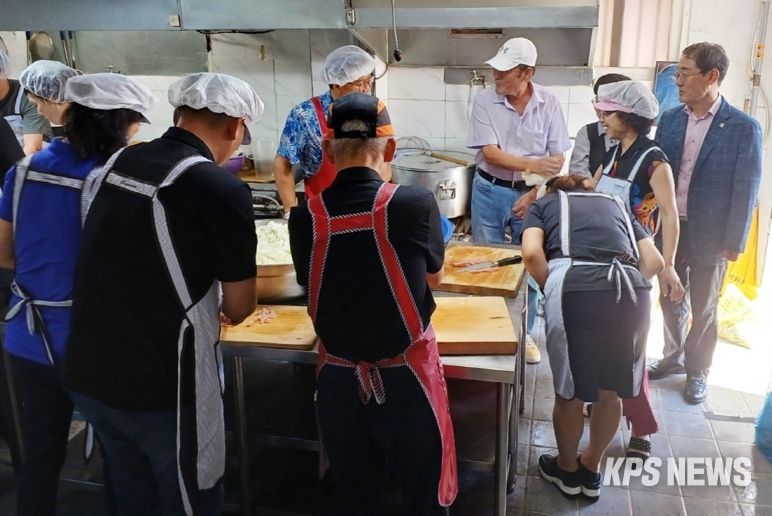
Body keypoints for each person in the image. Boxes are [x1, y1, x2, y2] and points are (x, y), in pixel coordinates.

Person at [63, 72, 262, 515]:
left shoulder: (119, 161)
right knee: (187, 500)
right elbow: (239, 306)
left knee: (133, 497)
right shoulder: (222, 189)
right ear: (236, 126)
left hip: (89, 371)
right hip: (161, 386)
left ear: (178, 116)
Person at [288, 92, 457, 515]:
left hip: (339, 383)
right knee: (422, 497)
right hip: (407, 382)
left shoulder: (305, 217)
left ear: (328, 150)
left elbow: (312, 285)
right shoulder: (415, 204)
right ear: (391, 149)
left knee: (354, 496)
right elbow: (434, 277)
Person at [0, 71, 154, 516]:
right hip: (91, 343)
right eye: (135, 124)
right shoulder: (112, 180)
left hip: (28, 339)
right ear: (120, 124)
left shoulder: (23, 171)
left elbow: (4, 255)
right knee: (120, 457)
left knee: (40, 455)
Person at [521, 175, 664, 502]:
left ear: (552, 191)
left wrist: (551, 287)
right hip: (631, 291)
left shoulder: (544, 205)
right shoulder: (617, 205)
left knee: (569, 394)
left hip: (574, 287)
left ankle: (567, 470)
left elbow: (531, 254)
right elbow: (654, 262)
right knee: (610, 392)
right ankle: (591, 467)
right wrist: (619, 289)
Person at [648, 42, 763, 404]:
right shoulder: (670, 119)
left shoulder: (743, 127)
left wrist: (735, 241)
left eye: (685, 73)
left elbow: (746, 189)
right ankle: (673, 356)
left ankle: (698, 370)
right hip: (669, 228)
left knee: (704, 306)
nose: (678, 80)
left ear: (712, 76)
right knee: (669, 299)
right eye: (677, 73)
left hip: (712, 235)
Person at [590, 79, 685, 459]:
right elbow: (593, 188)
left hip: (637, 265)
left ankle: (641, 427)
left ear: (627, 117)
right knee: (607, 345)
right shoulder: (616, 151)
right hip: (608, 259)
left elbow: (670, 216)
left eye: (608, 113)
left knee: (630, 352)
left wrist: (668, 267)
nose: (602, 118)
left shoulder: (654, 160)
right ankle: (605, 403)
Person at [468, 37, 571, 364]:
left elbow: (557, 159)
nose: (496, 76)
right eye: (495, 70)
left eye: (505, 71)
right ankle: (489, 327)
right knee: (487, 261)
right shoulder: (484, 100)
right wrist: (534, 164)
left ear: (527, 73)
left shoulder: (549, 102)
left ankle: (522, 334)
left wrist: (535, 191)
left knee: (528, 262)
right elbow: (491, 154)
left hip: (532, 194)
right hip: (489, 191)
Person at [276, 45, 376, 215]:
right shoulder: (305, 115)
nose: (366, 88)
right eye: (360, 83)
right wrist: (290, 213)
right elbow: (282, 166)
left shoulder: (373, 109)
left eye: (369, 81)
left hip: (366, 213)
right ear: (336, 84)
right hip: (323, 216)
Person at [568, 73, 630, 177]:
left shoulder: (636, 137)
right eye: (597, 101)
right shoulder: (587, 133)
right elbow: (577, 172)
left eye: (605, 104)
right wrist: (593, 185)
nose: (600, 109)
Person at [0, 51, 50, 154]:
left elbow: (33, 147)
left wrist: (16, 165)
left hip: (34, 159)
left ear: (2, 72)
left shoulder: (28, 96)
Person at [19, 60, 80, 140]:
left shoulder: (86, 131)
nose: (39, 112)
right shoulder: (79, 125)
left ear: (51, 98)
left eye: (36, 105)